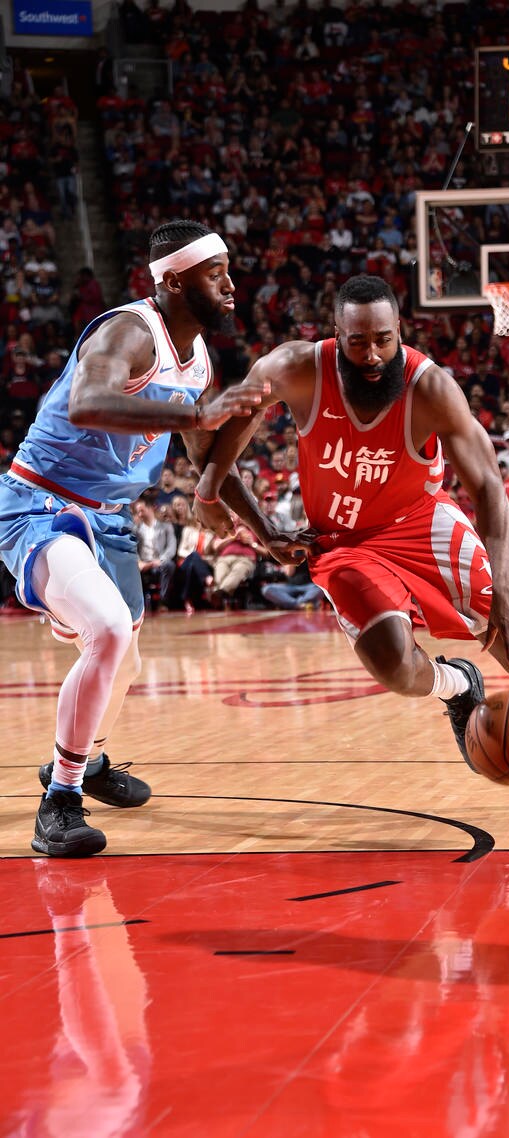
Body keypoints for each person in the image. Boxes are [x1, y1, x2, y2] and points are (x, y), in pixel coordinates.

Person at [195, 275, 509, 814]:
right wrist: (261, 527)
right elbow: (220, 448)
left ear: (399, 331)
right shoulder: (292, 369)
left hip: (420, 523)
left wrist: (508, 588)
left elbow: (488, 489)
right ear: (335, 334)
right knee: (392, 666)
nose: (372, 355)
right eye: (358, 341)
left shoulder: (429, 387)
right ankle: (456, 686)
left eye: (383, 339)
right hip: (342, 543)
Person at [0, 219, 270, 857]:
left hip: (109, 518)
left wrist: (266, 530)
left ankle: (83, 762)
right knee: (110, 632)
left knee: (127, 660)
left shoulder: (198, 357)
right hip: (41, 502)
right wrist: (194, 413)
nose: (232, 285)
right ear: (174, 281)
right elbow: (87, 403)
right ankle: (59, 802)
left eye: (229, 271)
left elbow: (209, 458)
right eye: (215, 274)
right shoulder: (129, 329)